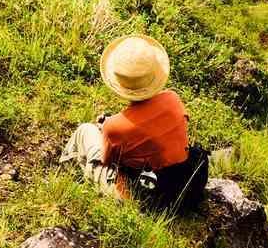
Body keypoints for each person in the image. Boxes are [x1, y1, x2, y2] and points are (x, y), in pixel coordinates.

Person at [60, 34, 192, 202]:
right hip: (178, 186)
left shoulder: (114, 127)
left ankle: (65, 174)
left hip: (137, 195)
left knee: (85, 130)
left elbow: (106, 161)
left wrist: (106, 132)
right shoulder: (173, 99)